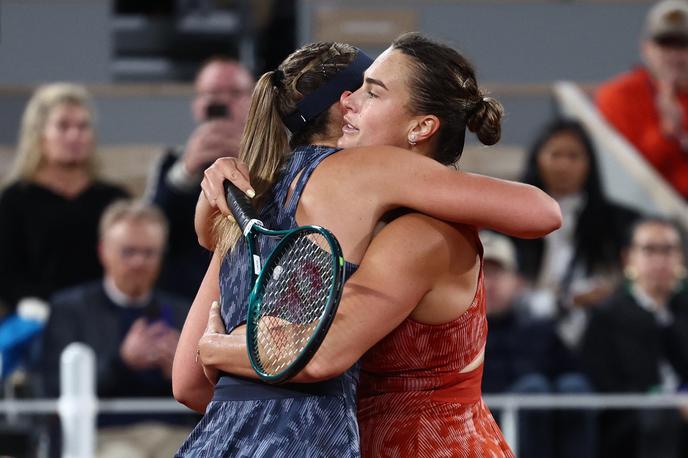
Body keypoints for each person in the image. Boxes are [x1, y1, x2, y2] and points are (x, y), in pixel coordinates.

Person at [175, 34, 560, 457]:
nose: (350, 101)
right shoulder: (349, 215)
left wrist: (215, 348)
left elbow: (314, 356)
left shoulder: (422, 230)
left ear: (421, 127)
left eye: (372, 92)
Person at [39, 200, 193, 458]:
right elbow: (54, 388)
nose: (138, 262)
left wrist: (182, 371)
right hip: (103, 434)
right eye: (128, 252)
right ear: (103, 251)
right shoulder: (71, 309)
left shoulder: (182, 311)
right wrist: (122, 362)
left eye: (149, 253)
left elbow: (207, 393)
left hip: (176, 432)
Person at [0, 83, 129, 318]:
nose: (75, 135)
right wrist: (31, 305)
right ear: (39, 135)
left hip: (105, 320)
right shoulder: (15, 200)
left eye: (82, 127)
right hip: (38, 320)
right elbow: (6, 272)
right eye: (63, 126)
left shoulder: (113, 198)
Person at [512, 119, 640, 347]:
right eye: (555, 155)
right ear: (537, 159)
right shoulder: (509, 218)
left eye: (573, 156)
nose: (563, 166)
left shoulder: (619, 222)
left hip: (596, 333)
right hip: (524, 329)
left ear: (589, 163)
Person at [146, 57, 254, 300]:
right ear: (197, 105)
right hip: (184, 296)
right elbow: (153, 229)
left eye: (235, 93)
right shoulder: (170, 163)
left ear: (254, 101)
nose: (223, 101)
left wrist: (251, 161)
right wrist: (186, 170)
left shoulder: (278, 158)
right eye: (213, 93)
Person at [481, 231, 595, 458]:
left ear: (519, 282)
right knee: (532, 388)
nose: (488, 283)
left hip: (545, 429)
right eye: (480, 273)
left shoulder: (539, 329)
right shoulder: (455, 338)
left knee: (573, 386)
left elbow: (573, 371)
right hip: (485, 428)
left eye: (497, 273)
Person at [581, 216, 688, 458]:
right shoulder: (607, 315)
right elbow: (602, 381)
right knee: (660, 418)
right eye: (650, 250)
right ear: (628, 258)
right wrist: (667, 400)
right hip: (629, 423)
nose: (661, 260)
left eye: (669, 250)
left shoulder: (683, 310)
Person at [596, 0, 688, 200]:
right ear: (646, 48)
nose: (674, 56)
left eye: (682, 45)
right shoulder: (618, 95)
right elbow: (629, 174)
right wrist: (667, 132)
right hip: (641, 209)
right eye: (665, 44)